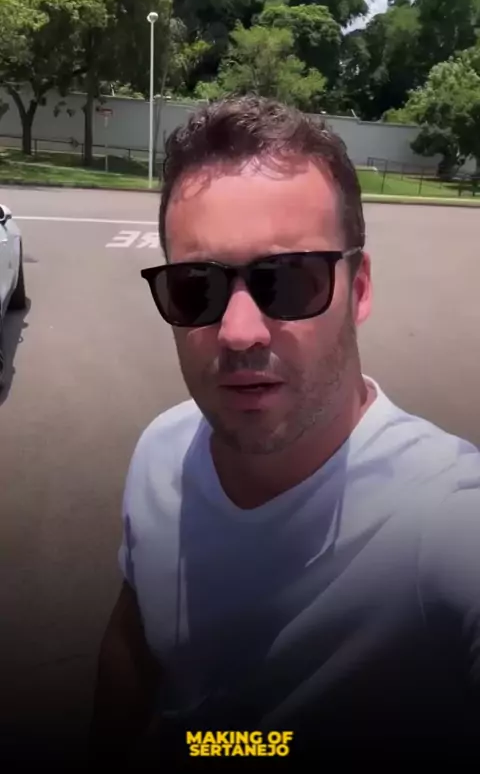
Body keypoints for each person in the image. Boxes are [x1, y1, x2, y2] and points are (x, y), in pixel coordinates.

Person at [90, 95, 480, 768]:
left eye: (289, 281)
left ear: (359, 290)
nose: (239, 332)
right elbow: (133, 645)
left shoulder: (446, 522)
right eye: (196, 287)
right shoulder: (160, 452)